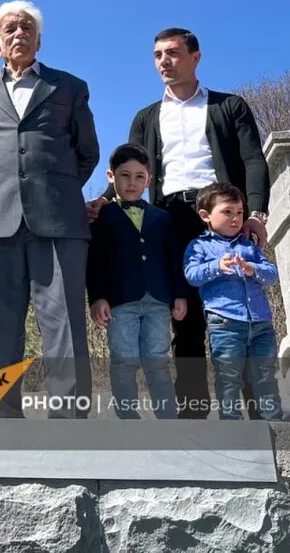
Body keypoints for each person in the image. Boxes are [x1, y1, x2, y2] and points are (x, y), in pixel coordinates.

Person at [88, 27, 271, 418]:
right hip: (167, 219)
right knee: (182, 315)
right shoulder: (146, 117)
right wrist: (103, 203)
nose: (163, 62)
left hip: (222, 218)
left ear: (195, 57)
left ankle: (256, 412)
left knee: (237, 311)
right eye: (157, 55)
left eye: (172, 53)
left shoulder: (230, 106)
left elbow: (253, 158)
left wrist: (255, 212)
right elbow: (130, 168)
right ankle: (192, 411)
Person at [0, 0, 99, 417]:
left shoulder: (69, 87)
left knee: (64, 325)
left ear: (39, 40)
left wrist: (52, 190)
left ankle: (69, 420)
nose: (19, 33)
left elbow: (87, 153)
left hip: (58, 219)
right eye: (10, 29)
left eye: (27, 28)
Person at [88, 144, 187, 419]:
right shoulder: (101, 216)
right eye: (125, 176)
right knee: (123, 360)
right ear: (111, 176)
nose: (132, 183)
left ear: (149, 179)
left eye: (139, 177)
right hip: (120, 301)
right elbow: (95, 262)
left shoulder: (161, 217)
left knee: (157, 361)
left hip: (158, 300)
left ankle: (168, 418)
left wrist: (179, 294)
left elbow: (173, 259)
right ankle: (128, 419)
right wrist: (97, 297)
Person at [184, 182, 283, 421]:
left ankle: (275, 423)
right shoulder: (199, 245)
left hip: (261, 323)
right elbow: (191, 274)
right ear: (206, 216)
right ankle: (232, 426)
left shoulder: (249, 245)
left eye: (239, 212)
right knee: (228, 377)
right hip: (225, 324)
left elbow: (272, 273)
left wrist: (252, 269)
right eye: (227, 212)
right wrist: (216, 266)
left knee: (265, 375)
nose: (235, 218)